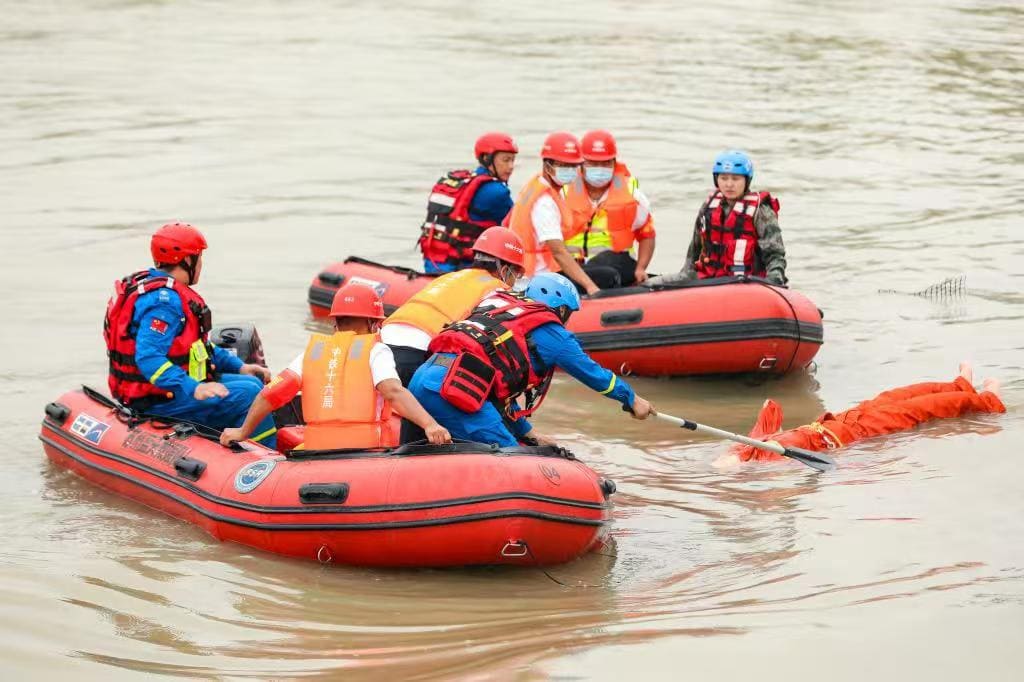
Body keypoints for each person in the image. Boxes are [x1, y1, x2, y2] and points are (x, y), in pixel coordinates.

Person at [408, 273, 655, 447]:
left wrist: (530, 433)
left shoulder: (496, 307)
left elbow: (495, 385)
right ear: (560, 308)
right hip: (451, 391)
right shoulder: (551, 332)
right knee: (510, 456)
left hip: (424, 380)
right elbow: (593, 374)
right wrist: (631, 398)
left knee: (510, 443)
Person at [104, 222, 277, 447]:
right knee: (251, 395)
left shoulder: (155, 287)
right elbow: (148, 358)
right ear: (186, 260)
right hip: (159, 399)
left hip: (170, 389)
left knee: (253, 383)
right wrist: (193, 388)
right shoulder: (163, 304)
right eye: (199, 257)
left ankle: (231, 440)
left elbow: (197, 347)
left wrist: (239, 366)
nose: (201, 264)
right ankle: (267, 460)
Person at [220, 284, 451, 450]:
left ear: (335, 322)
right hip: (365, 454)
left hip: (317, 451)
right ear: (374, 323)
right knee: (399, 423)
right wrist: (430, 425)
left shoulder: (311, 353)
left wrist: (243, 432)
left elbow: (270, 394)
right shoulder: (377, 350)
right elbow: (392, 391)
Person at [382, 227, 526, 442]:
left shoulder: (451, 277)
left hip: (384, 342)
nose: (516, 280)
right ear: (505, 268)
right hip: (420, 350)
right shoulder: (497, 289)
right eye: (517, 274)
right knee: (433, 426)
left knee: (413, 424)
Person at [723, 364, 1006, 464]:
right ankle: (987, 400)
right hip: (861, 433)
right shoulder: (773, 463)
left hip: (843, 418)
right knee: (922, 409)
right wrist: (776, 447)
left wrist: (740, 449)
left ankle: (960, 385)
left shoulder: (751, 448)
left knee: (900, 394)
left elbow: (770, 412)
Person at [646, 150, 787, 287]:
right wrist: (685, 275)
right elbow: (695, 247)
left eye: (735, 179)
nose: (729, 184)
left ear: (747, 181)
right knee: (651, 285)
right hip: (707, 276)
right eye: (724, 178)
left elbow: (775, 254)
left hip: (743, 282)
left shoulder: (761, 211)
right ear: (716, 179)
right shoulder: (709, 206)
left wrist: (773, 282)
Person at [507, 132, 602, 295]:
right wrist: (590, 287)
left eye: (573, 166)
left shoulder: (537, 184)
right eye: (564, 166)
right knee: (608, 275)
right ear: (548, 165)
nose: (570, 171)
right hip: (538, 278)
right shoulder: (545, 202)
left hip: (530, 272)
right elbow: (558, 252)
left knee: (600, 265)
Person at [561, 130, 656, 287]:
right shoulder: (563, 192)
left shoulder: (632, 194)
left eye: (605, 163)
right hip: (573, 267)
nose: (600, 169)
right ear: (581, 163)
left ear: (614, 162)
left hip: (616, 265)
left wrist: (641, 268)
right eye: (593, 163)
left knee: (607, 268)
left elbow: (647, 234)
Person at [417, 132, 519, 273]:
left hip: (433, 263)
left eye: (513, 160)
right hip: (460, 269)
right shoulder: (496, 192)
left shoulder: (463, 181)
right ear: (486, 158)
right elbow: (517, 227)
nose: (511, 166)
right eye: (506, 160)